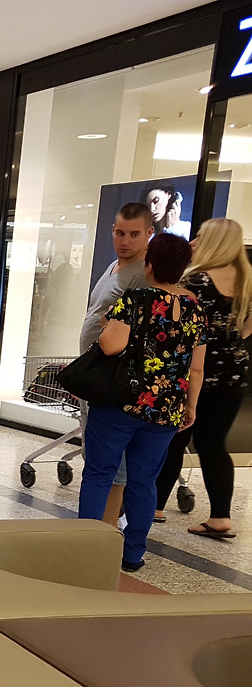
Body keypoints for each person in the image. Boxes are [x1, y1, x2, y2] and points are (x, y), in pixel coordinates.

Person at [78, 234, 205, 572]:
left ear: (148, 265)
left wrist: (108, 324)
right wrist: (190, 405)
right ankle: (133, 554)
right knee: (144, 480)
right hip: (165, 408)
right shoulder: (195, 310)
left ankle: (85, 550)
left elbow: (110, 346)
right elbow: (196, 367)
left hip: (120, 402)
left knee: (99, 474)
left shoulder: (136, 299)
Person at [155, 218, 252, 538]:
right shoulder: (248, 279)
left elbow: (176, 326)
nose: (193, 242)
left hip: (195, 371)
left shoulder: (195, 281)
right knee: (213, 444)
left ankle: (155, 506)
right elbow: (246, 330)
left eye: (200, 236)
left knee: (174, 438)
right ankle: (221, 517)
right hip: (234, 375)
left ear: (213, 242)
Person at [80, 201, 153, 527]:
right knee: (97, 453)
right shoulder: (114, 266)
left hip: (115, 376)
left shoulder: (143, 275)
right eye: (120, 233)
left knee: (113, 462)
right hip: (95, 373)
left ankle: (108, 525)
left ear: (149, 233)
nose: (125, 241)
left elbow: (133, 330)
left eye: (134, 234)